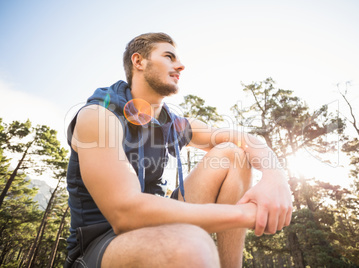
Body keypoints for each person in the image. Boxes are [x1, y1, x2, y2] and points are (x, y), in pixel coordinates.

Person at [65, 32, 292, 268]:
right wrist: (249, 214)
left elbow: (247, 139)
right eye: (169, 56)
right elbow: (126, 214)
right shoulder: (99, 116)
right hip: (101, 246)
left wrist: (275, 177)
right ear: (138, 62)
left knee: (232, 153)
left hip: (160, 227)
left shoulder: (174, 124)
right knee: (191, 245)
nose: (181, 65)